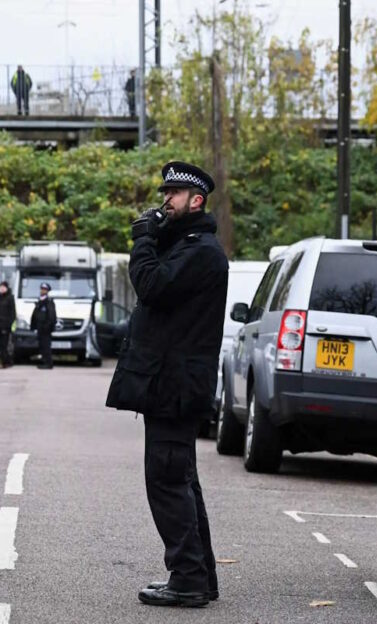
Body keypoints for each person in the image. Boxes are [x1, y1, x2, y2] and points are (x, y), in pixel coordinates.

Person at [106, 161, 228, 609]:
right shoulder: (188, 246)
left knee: (167, 479)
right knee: (180, 479)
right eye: (165, 193)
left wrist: (143, 240)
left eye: (173, 195)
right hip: (171, 384)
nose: (165, 201)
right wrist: (155, 238)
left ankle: (188, 578)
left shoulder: (201, 252)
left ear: (196, 201)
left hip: (175, 386)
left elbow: (151, 285)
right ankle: (200, 575)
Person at [30, 282, 56, 369]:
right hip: (40, 328)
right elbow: (36, 314)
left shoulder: (48, 302)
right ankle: (44, 362)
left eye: (44, 289)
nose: (42, 291)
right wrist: (33, 326)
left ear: (47, 291)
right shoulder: (40, 301)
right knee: (41, 346)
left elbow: (51, 316)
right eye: (42, 289)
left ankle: (48, 363)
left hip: (45, 329)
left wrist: (47, 326)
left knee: (46, 346)